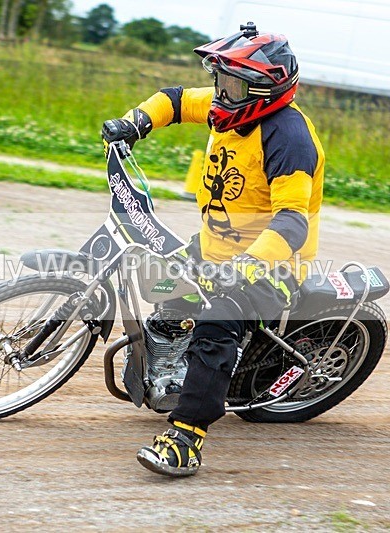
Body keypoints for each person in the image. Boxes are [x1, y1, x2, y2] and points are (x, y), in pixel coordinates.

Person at [101, 23, 325, 477]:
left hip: (271, 265)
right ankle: (172, 359)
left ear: (262, 91)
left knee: (215, 326)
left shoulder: (290, 139)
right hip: (215, 246)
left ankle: (186, 437)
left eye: (231, 84)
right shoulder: (232, 107)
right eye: (220, 80)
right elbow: (175, 100)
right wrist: (133, 123)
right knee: (161, 281)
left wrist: (244, 267)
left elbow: (292, 222)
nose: (220, 93)